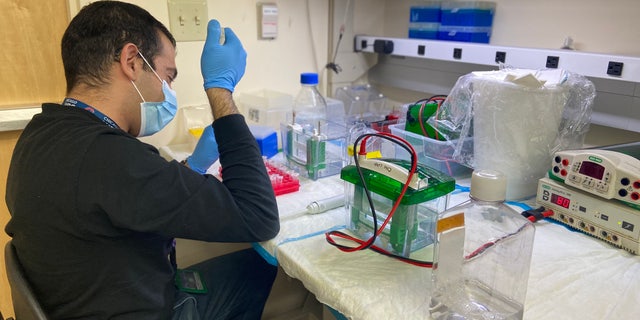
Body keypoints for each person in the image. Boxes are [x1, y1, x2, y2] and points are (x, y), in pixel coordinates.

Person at [4, 1, 280, 319]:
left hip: (86, 296)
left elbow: (125, 199)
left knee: (240, 265)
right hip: (139, 309)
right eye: (167, 77)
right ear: (132, 61)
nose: (168, 93)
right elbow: (258, 217)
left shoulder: (40, 134)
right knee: (257, 267)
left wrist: (193, 167)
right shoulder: (111, 158)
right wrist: (220, 90)